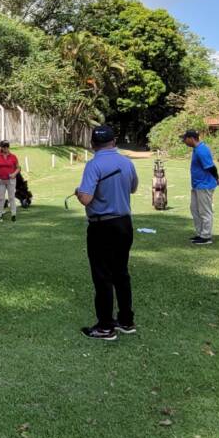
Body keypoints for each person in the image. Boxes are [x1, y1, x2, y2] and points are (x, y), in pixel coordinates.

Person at [75, 125, 139, 341]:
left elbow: (85, 198)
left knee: (103, 276)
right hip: (124, 223)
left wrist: (78, 191)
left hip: (102, 225)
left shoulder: (93, 165)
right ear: (113, 142)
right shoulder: (126, 162)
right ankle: (126, 320)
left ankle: (105, 327)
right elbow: (133, 188)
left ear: (93, 144)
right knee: (121, 272)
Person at [181, 129, 219, 245]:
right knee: (194, 209)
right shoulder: (196, 149)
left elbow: (211, 167)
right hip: (197, 185)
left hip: (205, 185)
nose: (184, 141)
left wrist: (217, 179)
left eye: (185, 139)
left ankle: (206, 236)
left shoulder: (202, 150)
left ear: (191, 138)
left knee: (205, 211)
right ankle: (200, 234)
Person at [0, 140, 21, 223]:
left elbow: (18, 168)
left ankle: (13, 215)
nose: (5, 148)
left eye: (7, 147)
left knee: (11, 197)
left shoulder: (13, 156)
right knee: (1, 198)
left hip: (11, 180)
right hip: (1, 180)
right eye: (4, 147)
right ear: (2, 148)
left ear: (8, 147)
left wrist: (14, 174)